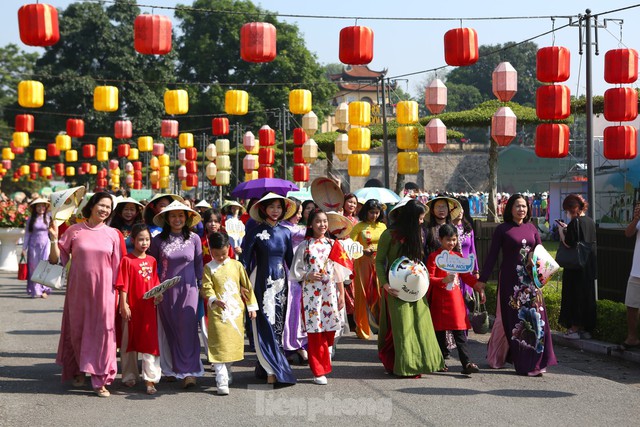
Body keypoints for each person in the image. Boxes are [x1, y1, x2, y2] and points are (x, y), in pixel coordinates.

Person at [48, 192, 123, 397]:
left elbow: (119, 269)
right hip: (78, 290)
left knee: (103, 334)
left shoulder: (114, 234)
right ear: (91, 206)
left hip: (105, 292)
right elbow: (56, 260)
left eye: (108, 207)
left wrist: (120, 297)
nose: (105, 210)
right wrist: (54, 240)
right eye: (101, 205)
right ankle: (79, 369)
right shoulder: (74, 231)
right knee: (78, 330)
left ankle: (100, 379)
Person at [476, 194, 557, 376]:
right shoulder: (502, 230)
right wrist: (482, 281)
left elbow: (541, 254)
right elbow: (491, 257)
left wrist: (541, 277)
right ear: (510, 209)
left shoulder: (532, 228)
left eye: (524, 206)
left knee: (537, 320)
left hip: (531, 282)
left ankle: (536, 362)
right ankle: (521, 362)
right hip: (511, 283)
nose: (521, 209)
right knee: (515, 322)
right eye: (517, 206)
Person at [375, 199, 444, 376]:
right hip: (395, 287)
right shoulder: (388, 235)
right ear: (411, 218)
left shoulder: (418, 234)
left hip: (416, 286)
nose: (422, 222)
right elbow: (380, 261)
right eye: (420, 219)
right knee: (401, 327)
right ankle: (404, 365)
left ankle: (424, 362)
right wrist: (385, 285)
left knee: (421, 325)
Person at [240, 192, 296, 385]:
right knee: (263, 323)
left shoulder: (286, 233)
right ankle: (270, 367)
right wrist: (243, 284)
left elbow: (291, 262)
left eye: (279, 207)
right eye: (271, 207)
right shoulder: (255, 232)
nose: (275, 211)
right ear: (263, 209)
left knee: (278, 326)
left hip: (281, 283)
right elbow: (244, 261)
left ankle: (267, 365)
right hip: (260, 281)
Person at [149, 200, 204, 388]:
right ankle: (171, 368)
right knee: (170, 329)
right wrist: (156, 290)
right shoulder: (157, 240)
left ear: (187, 218)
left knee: (187, 329)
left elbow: (199, 265)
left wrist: (202, 286)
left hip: (190, 289)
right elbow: (153, 265)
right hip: (166, 291)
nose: (177, 219)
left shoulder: (194, 239)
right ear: (166, 218)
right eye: (173, 215)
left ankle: (189, 372)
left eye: (181, 215)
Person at [289, 209, 346, 385]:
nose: (322, 225)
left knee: (329, 330)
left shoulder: (333, 244)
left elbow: (339, 272)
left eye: (325, 221)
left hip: (329, 293)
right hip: (311, 295)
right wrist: (308, 276)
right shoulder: (304, 246)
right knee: (315, 331)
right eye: (318, 222)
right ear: (311, 225)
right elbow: (295, 271)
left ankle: (323, 360)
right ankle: (318, 370)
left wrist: (341, 293)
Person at [201, 231, 257, 395]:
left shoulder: (237, 265)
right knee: (219, 344)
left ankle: (228, 369)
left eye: (223, 253)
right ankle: (221, 379)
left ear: (229, 248)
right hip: (218, 312)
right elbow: (206, 287)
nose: (220, 257)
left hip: (235, 312)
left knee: (231, 345)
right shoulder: (209, 268)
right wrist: (213, 299)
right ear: (211, 251)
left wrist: (251, 306)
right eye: (216, 254)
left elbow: (246, 286)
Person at [426, 224, 481, 375]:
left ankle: (467, 363)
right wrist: (442, 280)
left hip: (456, 300)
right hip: (439, 300)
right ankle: (439, 361)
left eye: (454, 239)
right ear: (440, 239)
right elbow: (429, 277)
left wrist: (477, 286)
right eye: (448, 240)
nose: (451, 243)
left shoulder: (458, 257)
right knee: (439, 333)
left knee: (459, 332)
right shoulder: (433, 257)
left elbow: (466, 276)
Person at [116, 223, 162, 395]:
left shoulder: (152, 260)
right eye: (141, 239)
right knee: (129, 343)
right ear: (133, 240)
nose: (144, 243)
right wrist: (123, 304)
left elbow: (155, 282)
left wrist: (159, 294)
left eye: (147, 239)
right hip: (132, 308)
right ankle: (129, 375)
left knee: (150, 343)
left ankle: (150, 379)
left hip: (149, 309)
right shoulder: (127, 260)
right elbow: (123, 285)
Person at [557, 194, 597, 339]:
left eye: (567, 210)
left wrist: (562, 231)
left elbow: (569, 243)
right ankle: (586, 328)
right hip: (587, 266)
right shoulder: (590, 222)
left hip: (574, 267)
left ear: (572, 209)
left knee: (573, 296)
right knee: (586, 297)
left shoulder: (575, 222)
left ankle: (574, 328)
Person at [350, 199, 387, 339]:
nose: (374, 215)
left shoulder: (383, 226)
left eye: (377, 212)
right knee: (363, 295)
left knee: (380, 294)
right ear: (365, 212)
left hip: (380, 263)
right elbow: (350, 246)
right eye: (371, 212)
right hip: (363, 264)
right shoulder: (359, 227)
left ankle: (381, 327)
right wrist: (363, 250)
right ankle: (362, 328)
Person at [280, 199, 309, 363]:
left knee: (299, 308)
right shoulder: (282, 229)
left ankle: (300, 344)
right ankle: (289, 345)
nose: (299, 215)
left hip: (301, 271)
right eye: (297, 212)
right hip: (287, 271)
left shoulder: (300, 228)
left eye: (300, 212)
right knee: (290, 307)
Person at [22, 198, 52, 299]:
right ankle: (35, 290)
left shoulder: (48, 218)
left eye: (43, 206)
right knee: (33, 268)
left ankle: (45, 290)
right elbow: (27, 234)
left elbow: (53, 233)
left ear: (46, 207)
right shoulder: (31, 219)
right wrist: (24, 248)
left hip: (46, 245)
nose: (41, 208)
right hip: (33, 245)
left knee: (44, 266)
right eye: (38, 206)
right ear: (35, 208)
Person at [452, 196, 479, 306]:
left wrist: (476, 270)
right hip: (453, 270)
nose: (460, 211)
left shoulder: (468, 229)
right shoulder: (448, 229)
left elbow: (473, 250)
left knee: (468, 301)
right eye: (456, 208)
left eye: (461, 208)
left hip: (467, 271)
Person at [622, 202, 640, 350]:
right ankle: (632, 338)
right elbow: (628, 233)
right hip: (636, 270)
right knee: (631, 305)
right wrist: (635, 218)